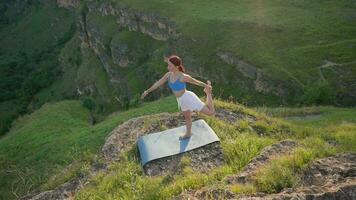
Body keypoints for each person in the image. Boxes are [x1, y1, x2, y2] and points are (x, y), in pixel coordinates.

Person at [141, 54, 215, 140]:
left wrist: (206, 86)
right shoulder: (168, 75)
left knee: (210, 113)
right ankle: (188, 133)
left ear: (176, 66)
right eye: (168, 64)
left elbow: (196, 82)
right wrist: (147, 91)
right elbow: (158, 83)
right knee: (187, 117)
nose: (168, 67)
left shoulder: (183, 77)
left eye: (170, 65)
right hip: (181, 100)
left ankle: (208, 94)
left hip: (189, 98)